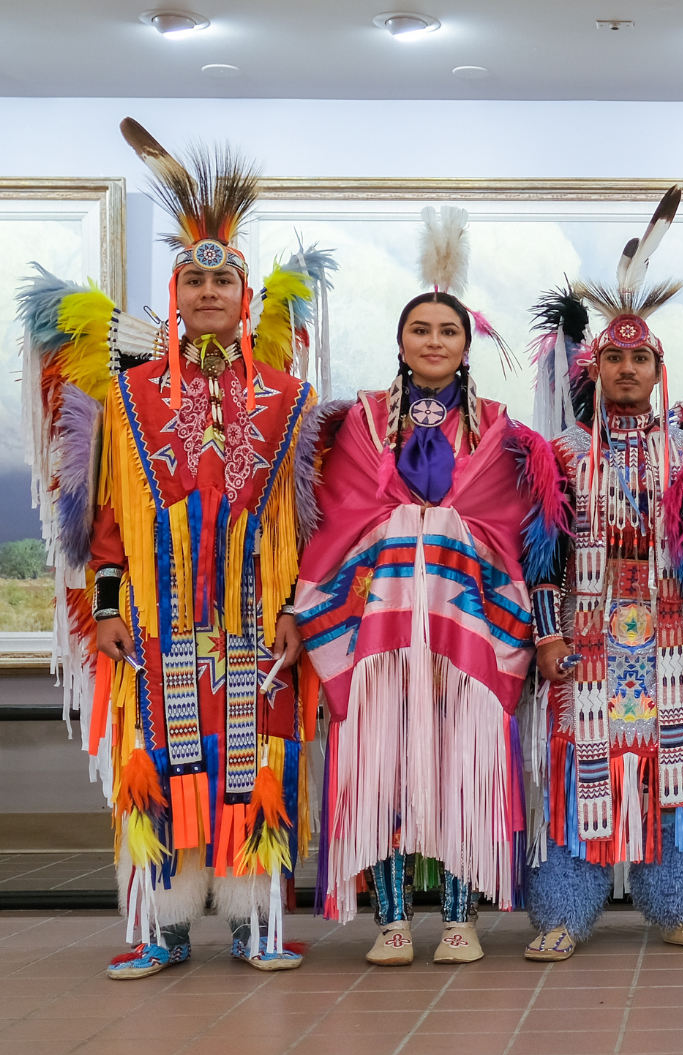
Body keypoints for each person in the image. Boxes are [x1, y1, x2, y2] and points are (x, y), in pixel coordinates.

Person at [19, 119, 327, 978]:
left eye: (221, 280)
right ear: (174, 291)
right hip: (156, 626)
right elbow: (108, 519)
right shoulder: (126, 398)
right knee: (154, 761)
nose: (206, 292)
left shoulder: (290, 400)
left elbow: (306, 528)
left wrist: (300, 613)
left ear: (246, 298)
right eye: (191, 279)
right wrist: (108, 610)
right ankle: (161, 929)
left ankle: (255, 924)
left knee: (255, 759)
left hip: (257, 625)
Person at [521, 187, 683, 960]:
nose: (626, 369)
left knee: (675, 772)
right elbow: (538, 555)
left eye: (639, 358)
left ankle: (681, 908)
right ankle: (564, 913)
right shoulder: (559, 456)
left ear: (658, 368)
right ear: (592, 370)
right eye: (614, 359)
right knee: (580, 769)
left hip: (670, 640)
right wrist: (545, 634)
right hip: (587, 639)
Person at [294, 206, 537, 964]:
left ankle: (461, 922)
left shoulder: (499, 428)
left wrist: (445, 529)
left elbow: (511, 523)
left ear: (468, 344)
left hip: (469, 620)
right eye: (420, 330)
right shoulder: (362, 424)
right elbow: (335, 516)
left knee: (462, 764)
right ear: (401, 340)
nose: (433, 342)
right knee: (386, 763)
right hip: (380, 626)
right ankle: (394, 923)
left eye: (448, 331)